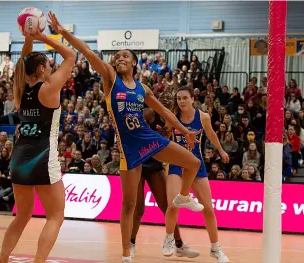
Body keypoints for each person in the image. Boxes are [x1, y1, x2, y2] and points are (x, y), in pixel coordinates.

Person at [47, 12, 204, 263]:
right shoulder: (110, 79)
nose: (120, 58)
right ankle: (125, 254)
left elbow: (164, 112)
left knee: (193, 162)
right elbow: (87, 51)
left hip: (148, 139)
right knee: (130, 206)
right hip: (129, 149)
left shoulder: (143, 88)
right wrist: (62, 32)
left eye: (125, 56)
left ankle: (183, 197)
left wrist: (186, 131)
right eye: (117, 56)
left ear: (134, 63)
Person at [0, 22, 77, 263]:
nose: (52, 68)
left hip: (19, 159)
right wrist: (42, 35)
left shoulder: (20, 90)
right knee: (55, 216)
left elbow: (23, 63)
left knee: (22, 215)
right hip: (43, 158)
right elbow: (71, 55)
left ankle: (2, 260)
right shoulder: (50, 88)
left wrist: (28, 40)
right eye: (49, 65)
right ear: (42, 68)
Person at [164, 86, 230, 263]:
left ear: (193, 99)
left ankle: (215, 248)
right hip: (176, 165)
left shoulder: (203, 117)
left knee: (208, 209)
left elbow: (211, 134)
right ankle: (169, 239)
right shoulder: (172, 117)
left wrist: (221, 150)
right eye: (178, 98)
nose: (181, 101)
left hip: (196, 165)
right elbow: (163, 136)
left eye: (185, 98)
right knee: (172, 205)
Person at [130, 91, 199, 258]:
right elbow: (131, 129)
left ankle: (179, 245)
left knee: (168, 206)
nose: (167, 98)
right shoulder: (150, 113)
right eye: (164, 97)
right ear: (157, 100)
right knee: (138, 209)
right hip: (137, 162)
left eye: (170, 97)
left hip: (154, 165)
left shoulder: (173, 118)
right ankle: (130, 243)